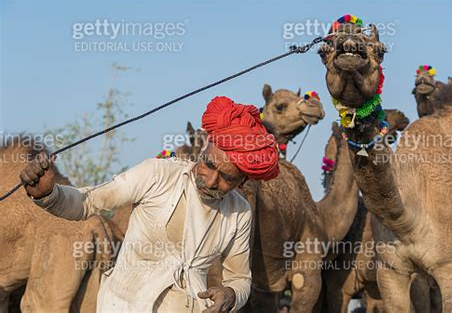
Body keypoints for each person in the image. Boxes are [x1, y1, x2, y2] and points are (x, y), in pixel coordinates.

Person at [19, 96, 280, 312]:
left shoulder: (240, 213)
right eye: (209, 164)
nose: (211, 180)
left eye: (226, 178)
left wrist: (231, 295)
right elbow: (88, 201)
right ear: (204, 150)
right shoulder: (158, 175)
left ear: (243, 180)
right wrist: (48, 194)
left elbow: (240, 278)